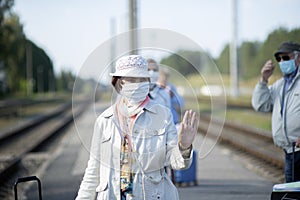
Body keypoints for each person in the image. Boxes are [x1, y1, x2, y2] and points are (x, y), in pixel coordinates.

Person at [76, 55, 199, 199]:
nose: (138, 84)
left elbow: (176, 162)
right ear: (120, 83)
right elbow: (93, 170)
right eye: (132, 80)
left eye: (142, 79)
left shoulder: (163, 115)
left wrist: (183, 146)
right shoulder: (104, 120)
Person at [252, 41, 300, 183]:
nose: (281, 62)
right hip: (290, 151)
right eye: (279, 59)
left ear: (298, 58)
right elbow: (261, 105)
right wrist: (263, 80)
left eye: (286, 58)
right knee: (292, 193)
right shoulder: (280, 85)